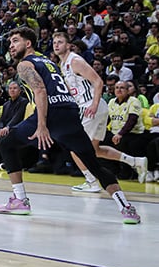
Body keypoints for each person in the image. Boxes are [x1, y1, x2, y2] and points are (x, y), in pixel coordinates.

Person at [0, 27, 140, 224]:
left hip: (51, 112)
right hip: (70, 111)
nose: (11, 46)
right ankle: (126, 208)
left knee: (6, 144)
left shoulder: (25, 64)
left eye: (15, 41)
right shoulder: (49, 62)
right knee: (94, 164)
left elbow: (40, 91)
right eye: (10, 42)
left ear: (28, 44)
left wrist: (42, 125)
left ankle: (20, 200)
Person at [53, 31, 148, 190]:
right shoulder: (64, 64)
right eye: (55, 42)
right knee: (95, 149)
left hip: (91, 106)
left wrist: (94, 104)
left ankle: (91, 182)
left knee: (74, 146)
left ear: (68, 45)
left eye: (60, 42)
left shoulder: (75, 61)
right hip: (92, 107)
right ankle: (136, 161)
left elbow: (98, 81)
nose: (56, 45)